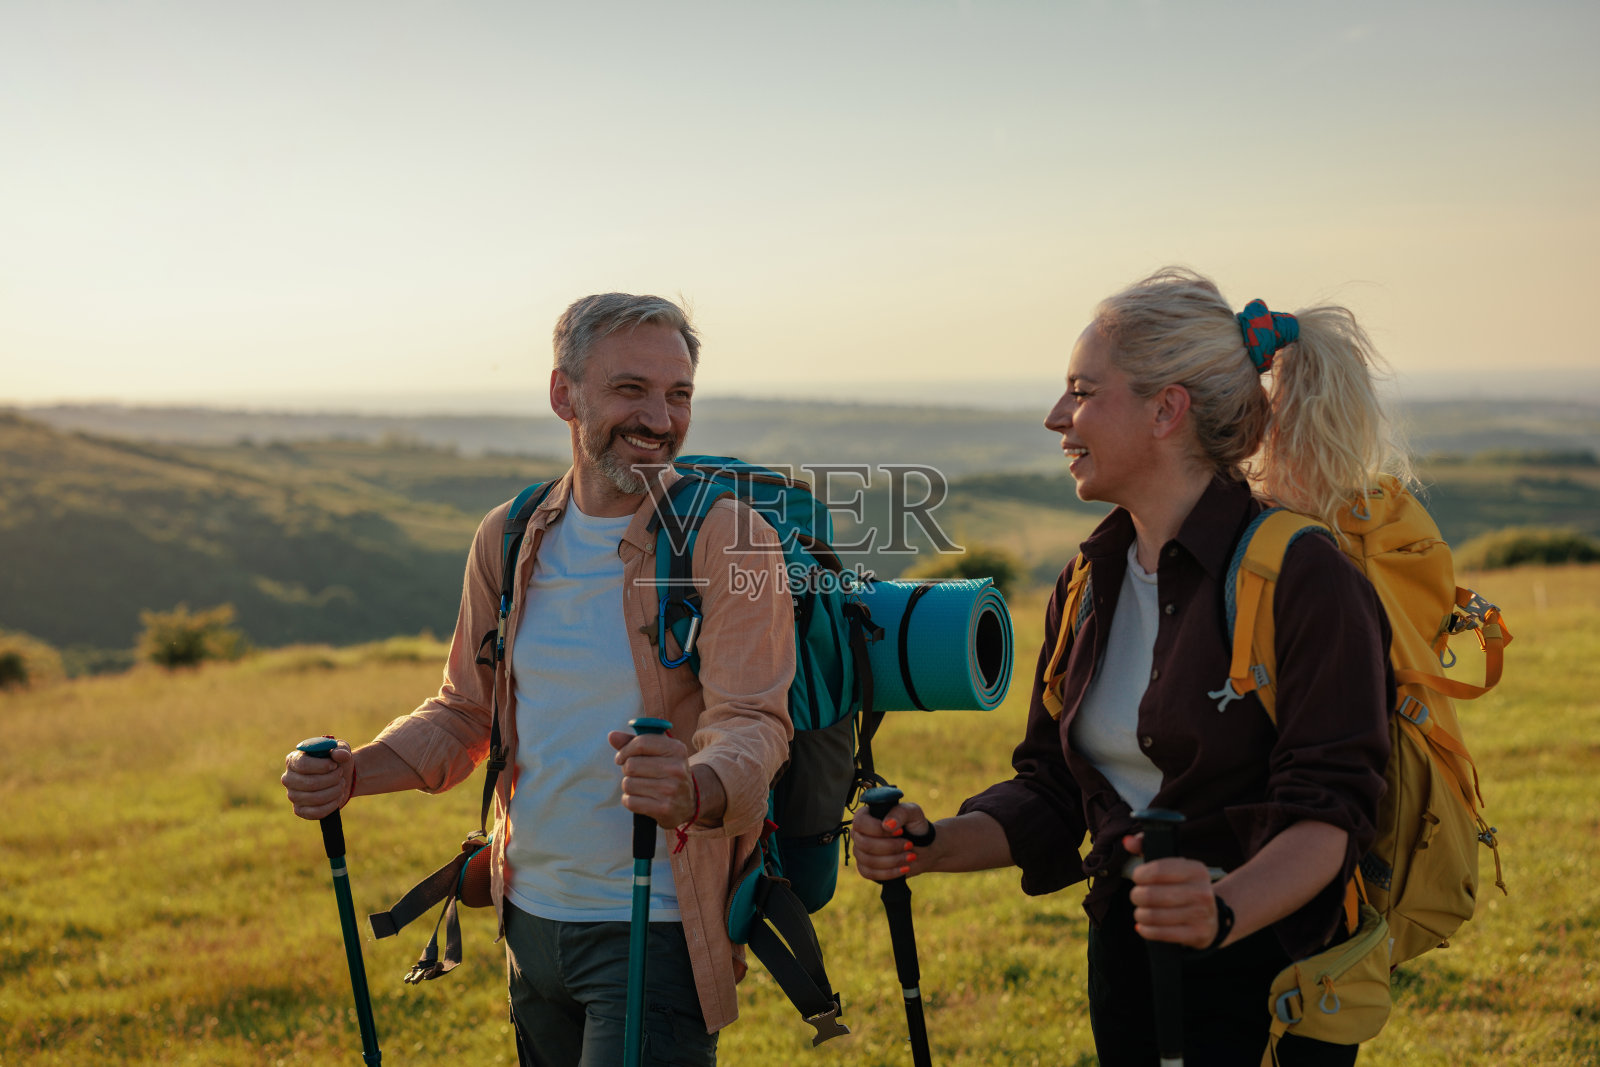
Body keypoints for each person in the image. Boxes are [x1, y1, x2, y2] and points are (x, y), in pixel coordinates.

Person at [851, 267, 1399, 1065]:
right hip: (1126, 965)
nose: (1055, 417)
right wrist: (934, 843)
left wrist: (1214, 910)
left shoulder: (1305, 577)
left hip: (1269, 979)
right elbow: (1053, 787)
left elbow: (1330, 813)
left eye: (1081, 391)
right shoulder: (1088, 580)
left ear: (1166, 409)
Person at [282, 293, 794, 1066]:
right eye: (632, 389)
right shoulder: (512, 534)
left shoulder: (732, 537)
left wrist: (693, 785)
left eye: (678, 393)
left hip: (654, 926)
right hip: (528, 922)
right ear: (565, 394)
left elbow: (755, 721)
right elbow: (465, 712)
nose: (660, 417)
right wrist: (358, 772)